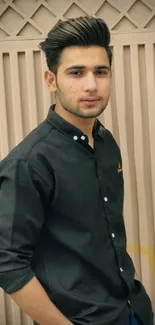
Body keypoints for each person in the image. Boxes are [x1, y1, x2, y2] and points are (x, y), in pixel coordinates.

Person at [0, 16, 154, 325]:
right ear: (50, 80)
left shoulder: (105, 141)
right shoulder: (29, 163)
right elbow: (8, 263)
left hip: (133, 307)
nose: (91, 85)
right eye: (76, 72)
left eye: (101, 71)